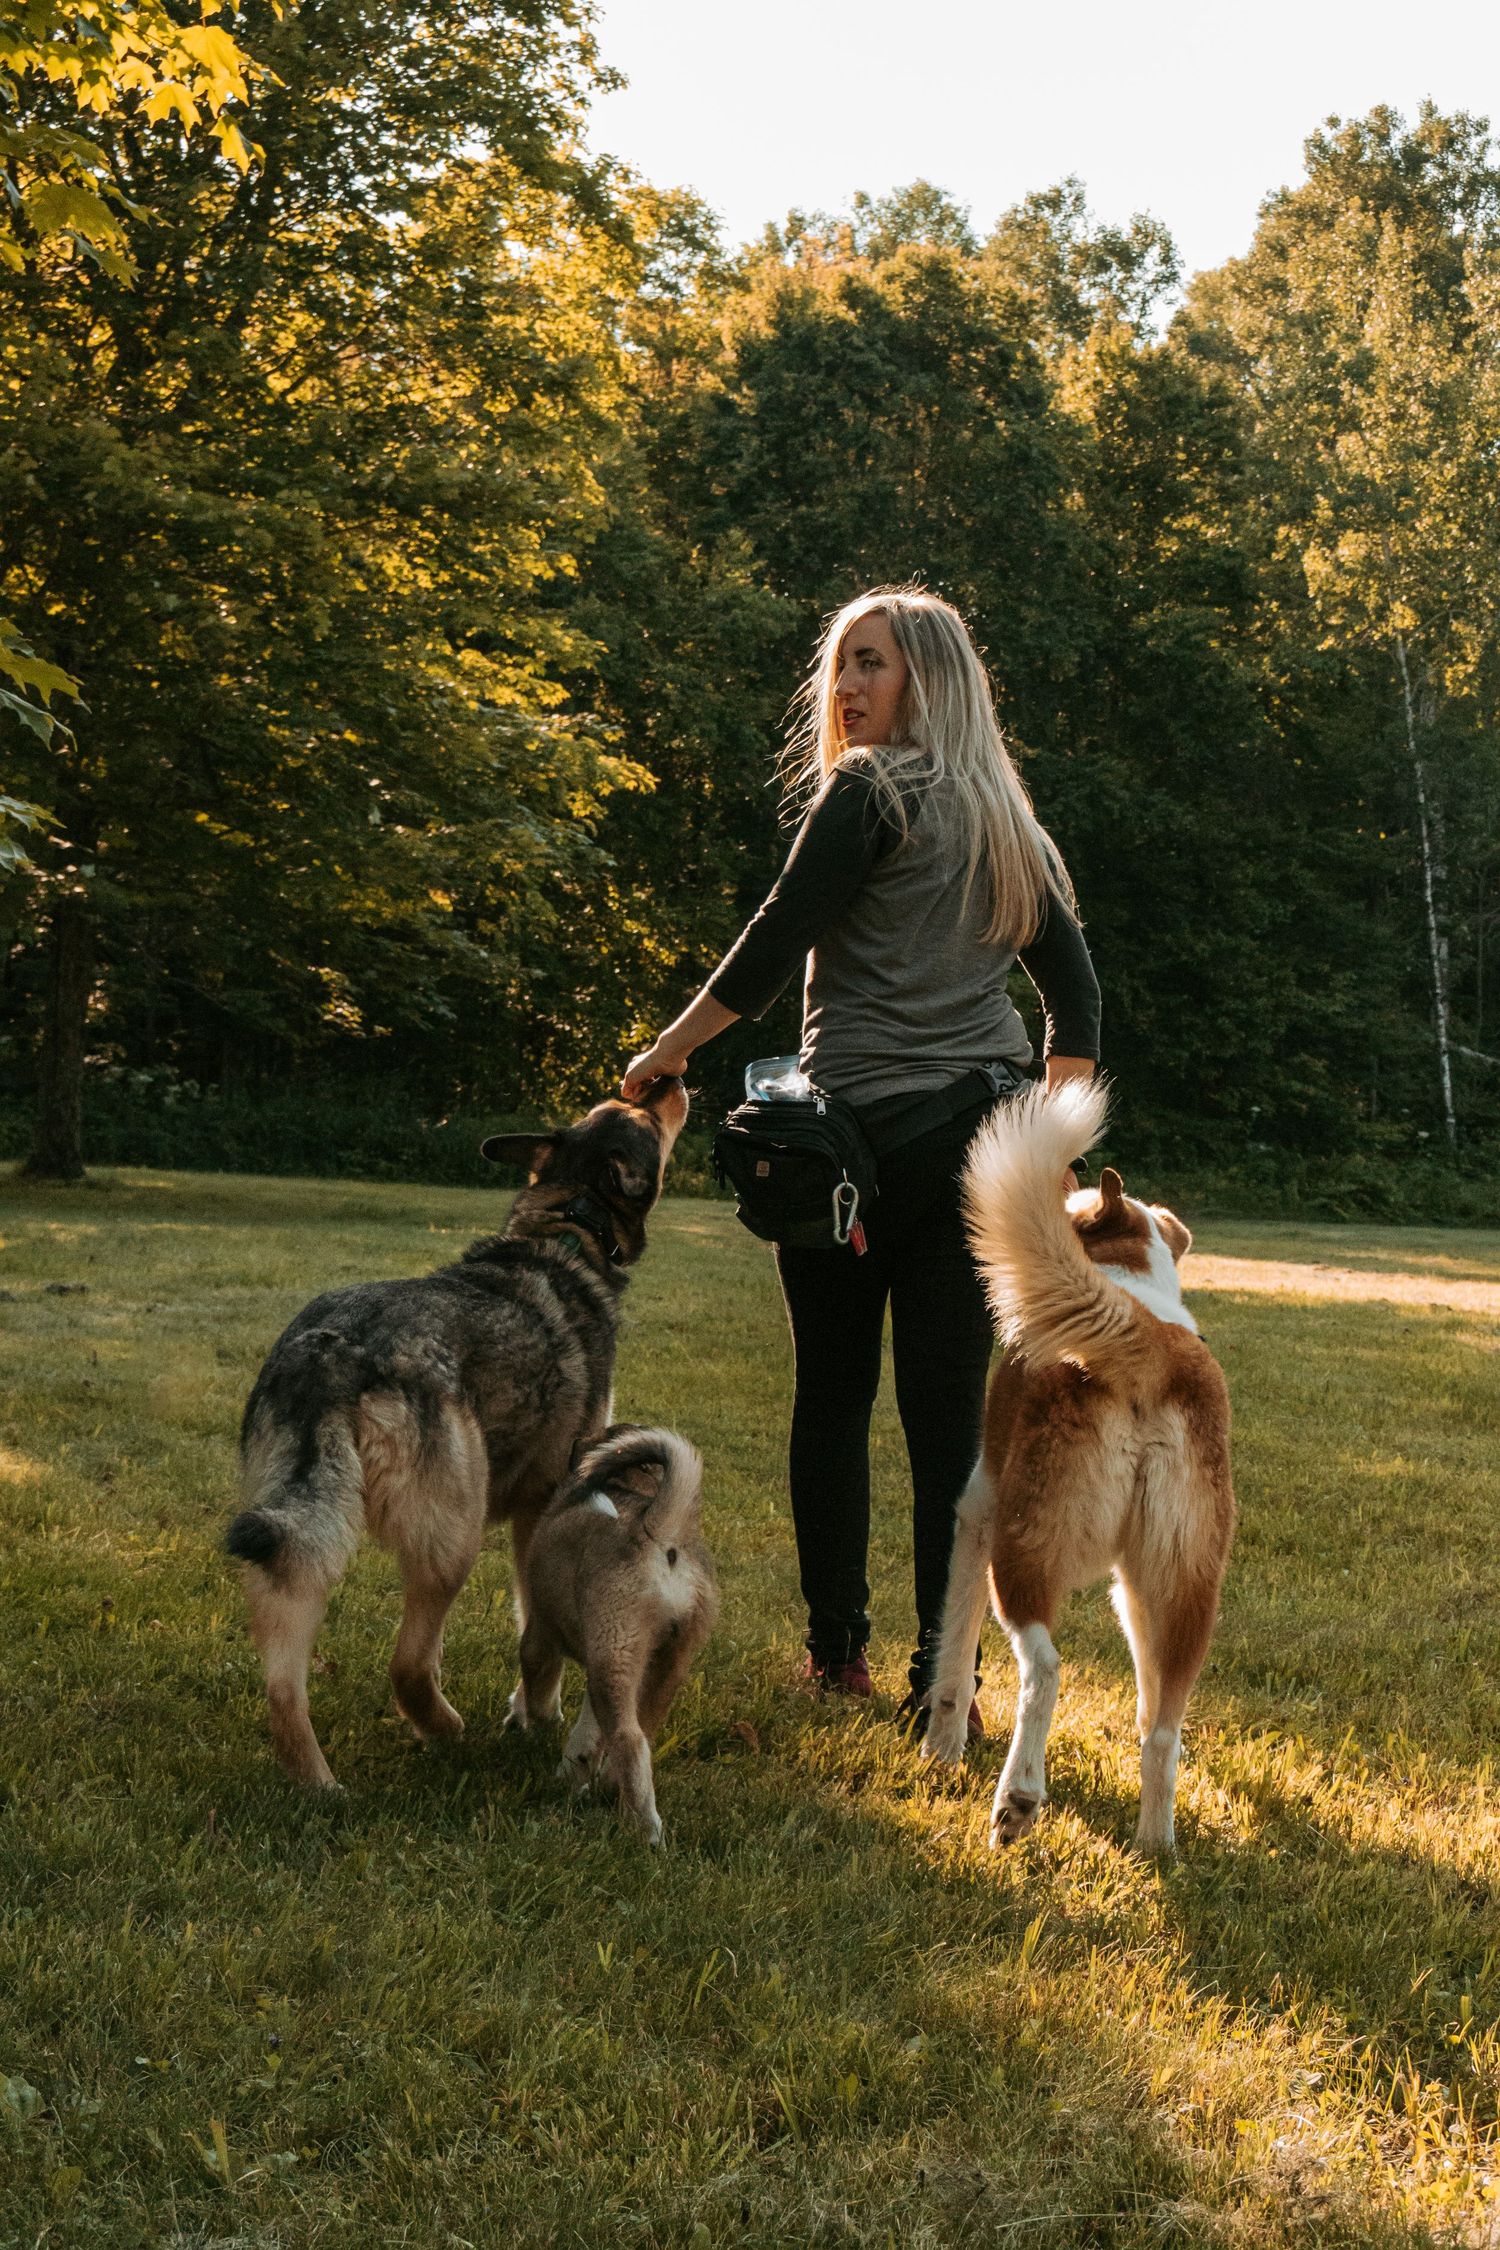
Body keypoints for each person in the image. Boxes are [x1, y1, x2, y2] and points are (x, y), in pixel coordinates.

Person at [622, 586, 1098, 1728]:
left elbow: (777, 934)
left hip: (852, 1154)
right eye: (841, 666)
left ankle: (840, 1658)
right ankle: (954, 1686)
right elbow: (1074, 998)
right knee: (947, 1424)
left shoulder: (869, 790)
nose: (847, 689)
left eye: (872, 665)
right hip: (975, 1144)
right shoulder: (1005, 820)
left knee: (834, 1402)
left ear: (925, 680)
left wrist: (664, 1054)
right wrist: (1047, 1139)